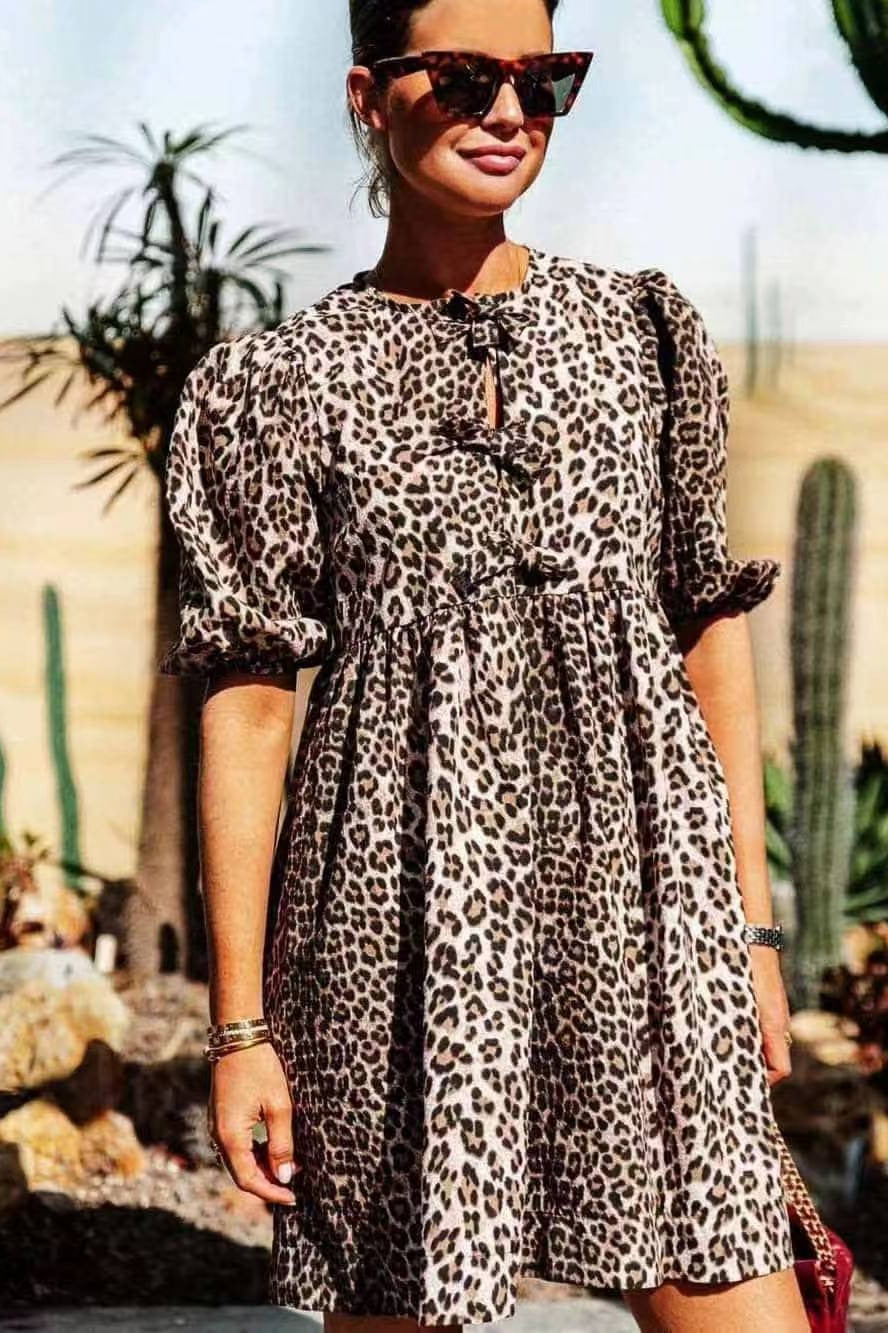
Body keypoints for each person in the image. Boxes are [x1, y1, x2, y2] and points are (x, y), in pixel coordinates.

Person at [159, 1, 810, 1329]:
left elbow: (706, 629)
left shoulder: (642, 336)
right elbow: (250, 705)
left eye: (542, 78)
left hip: (647, 915)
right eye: (462, 77)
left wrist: (749, 934)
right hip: (392, 933)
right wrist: (241, 1031)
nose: (508, 112)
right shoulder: (277, 383)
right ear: (368, 94)